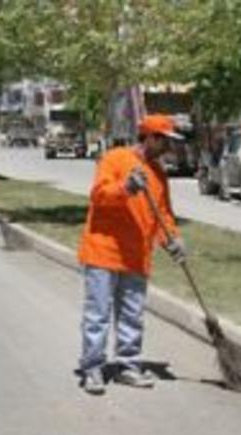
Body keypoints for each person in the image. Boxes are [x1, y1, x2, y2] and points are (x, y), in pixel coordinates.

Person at [77, 114, 186, 395]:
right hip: (104, 251)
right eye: (165, 141)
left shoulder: (158, 174)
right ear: (150, 137)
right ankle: (92, 368)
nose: (168, 148)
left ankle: (128, 365)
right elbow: (99, 196)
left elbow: (163, 214)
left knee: (132, 314)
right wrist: (125, 188)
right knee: (98, 314)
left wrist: (172, 240)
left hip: (137, 254)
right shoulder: (115, 159)